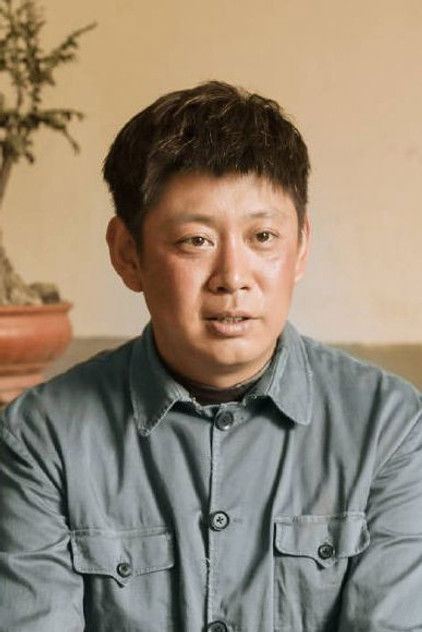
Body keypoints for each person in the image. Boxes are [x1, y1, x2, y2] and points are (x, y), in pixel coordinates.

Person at [0, 81, 421, 632]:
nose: (233, 279)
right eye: (195, 241)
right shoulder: (41, 438)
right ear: (127, 254)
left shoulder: (390, 427)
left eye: (263, 236)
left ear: (301, 248)